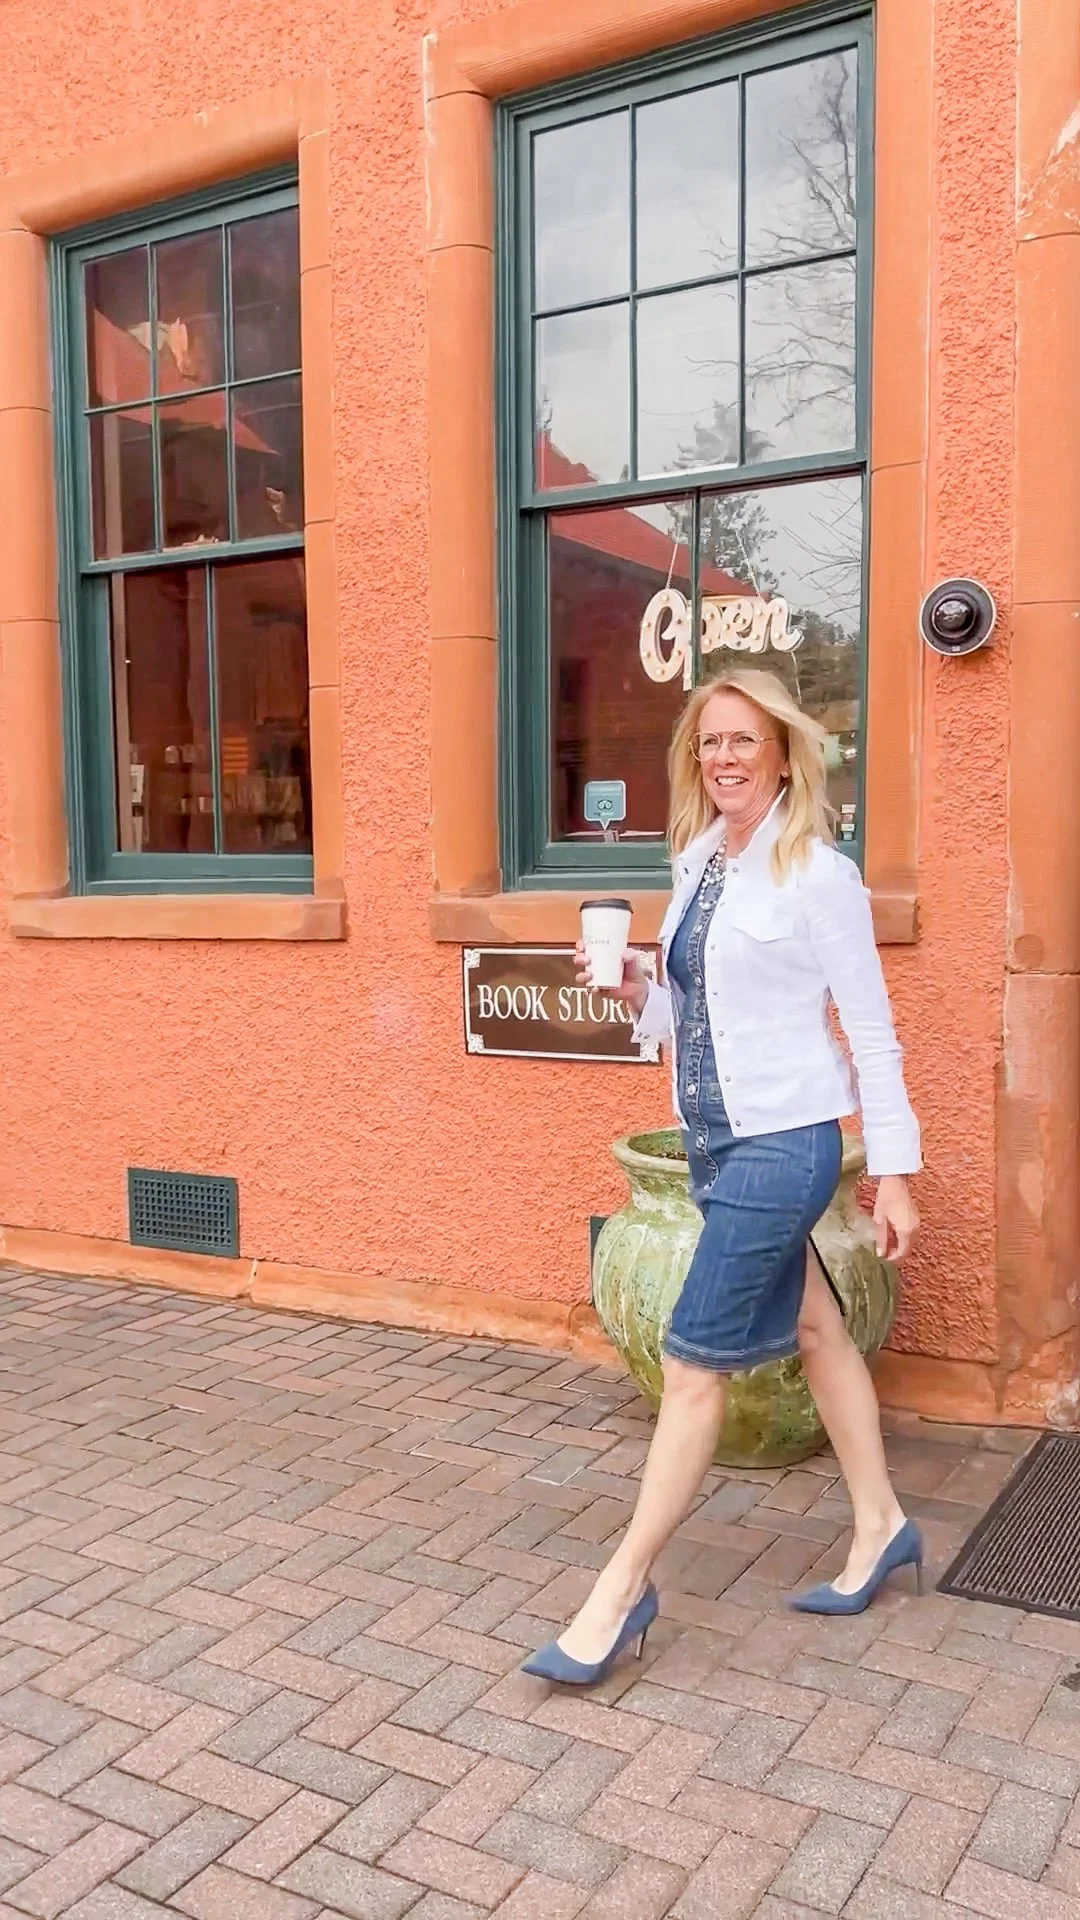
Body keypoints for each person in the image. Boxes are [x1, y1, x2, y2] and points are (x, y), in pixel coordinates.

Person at [524, 669, 923, 1687]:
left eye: (745, 741)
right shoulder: (702, 860)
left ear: (785, 755)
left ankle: (619, 1592)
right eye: (709, 743)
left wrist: (899, 1172)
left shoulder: (817, 876)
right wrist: (630, 983)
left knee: (694, 1361)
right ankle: (881, 1523)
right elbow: (689, 1006)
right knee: (815, 1326)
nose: (725, 758)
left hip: (785, 1144)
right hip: (713, 1137)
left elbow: (871, 1033)